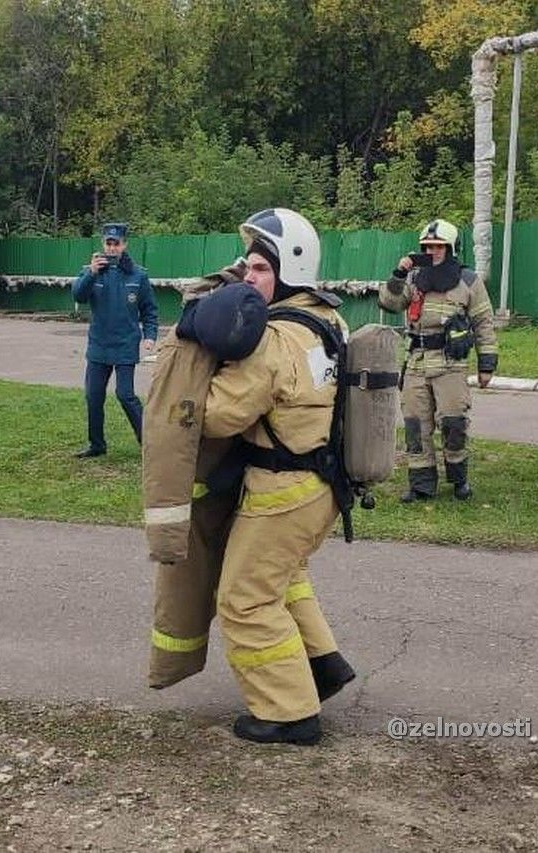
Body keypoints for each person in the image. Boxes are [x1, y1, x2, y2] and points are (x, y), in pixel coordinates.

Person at [194, 208, 355, 745]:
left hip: (281, 491)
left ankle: (289, 710)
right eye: (248, 267)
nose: (247, 277)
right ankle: (321, 666)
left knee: (244, 599)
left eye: (260, 268)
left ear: (290, 271)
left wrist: (195, 371)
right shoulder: (327, 320)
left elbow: (220, 415)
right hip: (322, 487)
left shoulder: (275, 339)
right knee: (283, 579)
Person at [378, 219, 499, 502]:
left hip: (450, 364)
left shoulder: (468, 280)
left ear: (451, 249)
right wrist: (398, 274)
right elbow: (389, 304)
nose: (432, 251)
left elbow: (483, 323)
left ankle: (459, 481)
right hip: (417, 363)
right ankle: (421, 486)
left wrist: (486, 365)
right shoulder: (414, 278)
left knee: (454, 423)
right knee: (414, 426)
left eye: (438, 246)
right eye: (428, 246)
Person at [70, 222, 158, 458]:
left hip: (125, 345)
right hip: (99, 346)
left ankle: (149, 443)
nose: (111, 248)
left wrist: (150, 336)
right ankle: (97, 445)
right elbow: (78, 295)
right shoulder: (90, 271)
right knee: (94, 396)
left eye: (116, 244)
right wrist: (91, 273)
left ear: (124, 245)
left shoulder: (138, 275)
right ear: (103, 244)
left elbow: (149, 309)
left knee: (125, 394)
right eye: (108, 243)